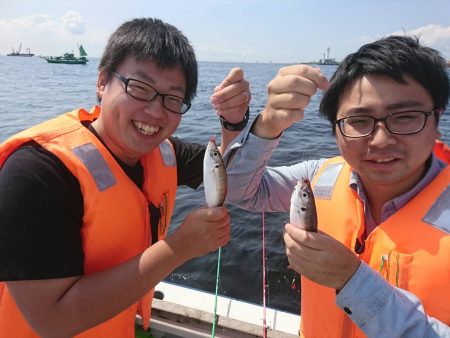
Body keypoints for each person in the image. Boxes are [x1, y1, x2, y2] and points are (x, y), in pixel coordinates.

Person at [0, 18, 251, 337]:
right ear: (102, 82)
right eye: (140, 88)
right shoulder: (38, 171)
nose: (156, 112)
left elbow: (234, 177)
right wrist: (179, 248)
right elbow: (52, 320)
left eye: (172, 99)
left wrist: (234, 123)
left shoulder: (165, 152)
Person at [222, 36, 450, 337]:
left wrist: (353, 281)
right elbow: (238, 191)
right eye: (359, 120)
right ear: (335, 128)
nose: (380, 140)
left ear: (437, 117)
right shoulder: (319, 177)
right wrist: (266, 126)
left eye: (406, 117)